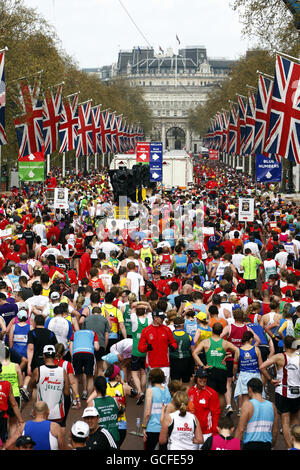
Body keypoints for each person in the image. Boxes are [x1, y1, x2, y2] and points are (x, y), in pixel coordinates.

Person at [259, 335, 300, 449]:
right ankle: (296, 446)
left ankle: (288, 448)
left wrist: (271, 379)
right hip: (297, 392)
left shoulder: (279, 357)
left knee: (285, 422)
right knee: (296, 421)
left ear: (285, 345)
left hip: (283, 391)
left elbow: (262, 366)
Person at [192, 322, 238, 413]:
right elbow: (237, 350)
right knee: (221, 394)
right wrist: (231, 359)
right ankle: (218, 414)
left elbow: (194, 353)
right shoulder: (225, 343)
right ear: (221, 332)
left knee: (210, 392)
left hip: (210, 370)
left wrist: (202, 366)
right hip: (222, 371)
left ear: (212, 331)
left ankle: (211, 413)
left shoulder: (206, 342)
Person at [30, 345, 70, 429]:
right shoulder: (62, 371)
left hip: (41, 412)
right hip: (58, 413)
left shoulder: (38, 370)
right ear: (55, 355)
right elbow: (67, 393)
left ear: (44, 355)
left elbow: (31, 385)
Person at [234, 378, 278, 450]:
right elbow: (275, 430)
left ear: (250, 389)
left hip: (250, 444)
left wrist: (234, 446)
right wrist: (272, 445)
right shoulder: (272, 406)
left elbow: (240, 430)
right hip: (267, 444)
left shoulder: (247, 405)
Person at [138, 310, 178, 386]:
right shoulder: (146, 330)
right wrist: (147, 347)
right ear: (155, 318)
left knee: (164, 386)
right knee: (151, 387)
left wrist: (173, 347)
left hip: (165, 363)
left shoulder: (167, 329)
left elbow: (173, 342)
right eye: (161, 318)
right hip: (151, 364)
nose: (163, 320)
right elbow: (140, 347)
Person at [25, 314, 58, 400]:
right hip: (49, 360)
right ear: (44, 322)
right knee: (48, 384)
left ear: (35, 323)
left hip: (36, 361)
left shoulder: (32, 333)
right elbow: (56, 347)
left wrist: (29, 364)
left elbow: (30, 349)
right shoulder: (51, 333)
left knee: (36, 386)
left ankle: (35, 409)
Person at [187, 367, 221, 446]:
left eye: (205, 377)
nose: (203, 380)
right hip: (192, 432)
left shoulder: (212, 393)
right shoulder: (190, 391)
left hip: (206, 433)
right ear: (196, 378)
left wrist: (214, 432)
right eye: (201, 377)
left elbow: (216, 413)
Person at [142, 367, 172, 451]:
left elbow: (147, 412)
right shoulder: (167, 391)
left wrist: (144, 427)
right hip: (165, 428)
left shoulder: (150, 391)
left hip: (152, 427)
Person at [233, 330, 263, 410]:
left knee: (245, 395)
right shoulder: (256, 349)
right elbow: (261, 366)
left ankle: (244, 413)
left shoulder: (238, 351)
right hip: (255, 375)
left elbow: (235, 366)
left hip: (243, 375)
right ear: (250, 339)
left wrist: (234, 375)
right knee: (256, 395)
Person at [87, 375, 121, 445]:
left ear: (95, 388)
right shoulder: (114, 400)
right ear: (106, 387)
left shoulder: (92, 403)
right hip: (114, 437)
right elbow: (120, 410)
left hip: (99, 439)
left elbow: (88, 422)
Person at [69, 327, 100, 400]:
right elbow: (97, 347)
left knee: (76, 377)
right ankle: (89, 400)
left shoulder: (75, 333)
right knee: (90, 376)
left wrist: (73, 356)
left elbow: (70, 346)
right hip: (89, 353)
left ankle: (75, 400)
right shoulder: (93, 333)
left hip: (76, 353)